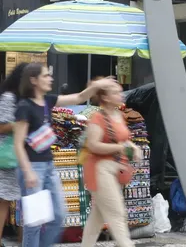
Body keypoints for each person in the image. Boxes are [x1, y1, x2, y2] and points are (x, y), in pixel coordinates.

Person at [13, 63, 117, 247]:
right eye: (46, 76)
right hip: (32, 167)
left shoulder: (48, 101)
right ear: (33, 80)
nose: (50, 79)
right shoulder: (24, 106)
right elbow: (18, 143)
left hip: (48, 166)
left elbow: (78, 97)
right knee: (34, 223)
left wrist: (97, 86)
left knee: (59, 216)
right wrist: (28, 171)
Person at [81, 81, 142, 247]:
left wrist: (133, 147)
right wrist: (120, 147)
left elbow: (124, 140)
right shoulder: (97, 118)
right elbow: (93, 145)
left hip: (114, 169)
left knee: (97, 218)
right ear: (106, 98)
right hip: (100, 169)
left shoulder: (119, 115)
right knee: (116, 213)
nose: (120, 95)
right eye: (116, 93)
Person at [0, 63, 28, 247]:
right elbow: (1, 126)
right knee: (4, 202)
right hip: (8, 158)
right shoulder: (9, 97)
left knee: (26, 202)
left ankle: (25, 241)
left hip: (22, 157)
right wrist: (20, 124)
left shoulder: (27, 99)